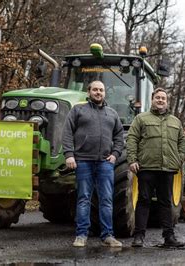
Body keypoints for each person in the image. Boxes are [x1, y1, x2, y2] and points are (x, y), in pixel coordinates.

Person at [62, 80, 124, 247]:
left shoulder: (112, 113)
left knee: (106, 199)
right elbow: (67, 132)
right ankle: (81, 235)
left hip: (105, 163)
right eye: (95, 90)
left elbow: (119, 137)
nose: (98, 92)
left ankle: (108, 235)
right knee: (83, 198)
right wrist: (69, 155)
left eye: (101, 90)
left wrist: (115, 155)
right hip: (83, 161)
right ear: (88, 92)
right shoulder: (78, 110)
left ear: (105, 93)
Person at [126, 88, 185, 248]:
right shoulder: (141, 118)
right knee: (143, 200)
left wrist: (179, 158)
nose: (160, 100)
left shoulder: (175, 121)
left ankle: (169, 237)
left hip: (167, 169)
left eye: (163, 98)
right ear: (152, 100)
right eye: (157, 98)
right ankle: (138, 236)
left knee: (166, 202)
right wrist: (132, 159)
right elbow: (132, 138)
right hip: (146, 167)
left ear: (167, 101)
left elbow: (182, 142)